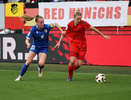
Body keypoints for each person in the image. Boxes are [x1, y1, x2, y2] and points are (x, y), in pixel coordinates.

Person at [54, 9, 111, 81]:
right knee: (72, 61)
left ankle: (70, 69)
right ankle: (70, 76)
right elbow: (64, 33)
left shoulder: (83, 23)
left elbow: (93, 28)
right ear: (74, 18)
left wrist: (102, 35)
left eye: (80, 19)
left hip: (82, 44)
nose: (79, 20)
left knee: (79, 64)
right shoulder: (69, 25)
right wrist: (59, 42)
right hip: (74, 43)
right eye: (78, 19)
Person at [15, 14, 64, 81]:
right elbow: (27, 39)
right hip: (35, 46)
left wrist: (61, 31)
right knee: (28, 62)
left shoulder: (47, 26)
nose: (43, 24)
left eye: (43, 22)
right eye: (41, 22)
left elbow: (55, 24)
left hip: (44, 47)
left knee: (41, 64)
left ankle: (39, 68)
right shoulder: (33, 29)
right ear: (37, 23)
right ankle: (20, 77)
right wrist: (28, 43)